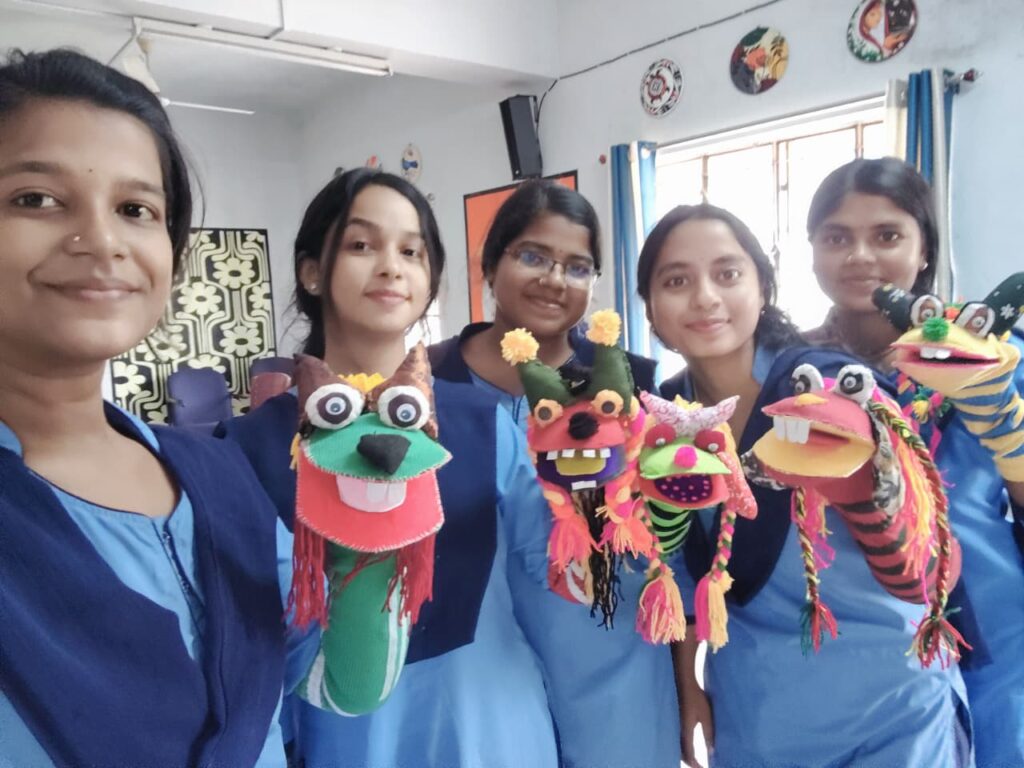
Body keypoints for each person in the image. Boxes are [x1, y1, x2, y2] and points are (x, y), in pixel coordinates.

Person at [0, 48, 312, 767]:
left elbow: (304, 677)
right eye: (36, 199)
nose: (102, 241)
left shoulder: (218, 475)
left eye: (135, 209)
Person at [219, 168, 559, 768]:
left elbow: (549, 568)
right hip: (342, 733)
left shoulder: (482, 423)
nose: (390, 268)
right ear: (311, 271)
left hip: (491, 726)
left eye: (411, 252)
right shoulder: (251, 446)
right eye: (361, 245)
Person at [638, 202, 970, 768]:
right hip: (759, 715)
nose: (705, 297)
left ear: (763, 288)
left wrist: (865, 475)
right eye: (676, 281)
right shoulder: (662, 423)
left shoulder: (835, 390)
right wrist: (686, 688)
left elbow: (925, 547)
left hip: (893, 709)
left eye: (727, 273)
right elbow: (676, 570)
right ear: (650, 309)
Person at [429, 178, 680, 768]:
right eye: (533, 256)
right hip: (478, 672)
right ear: (491, 264)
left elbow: (666, 539)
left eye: (577, 267)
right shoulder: (429, 388)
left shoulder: (632, 386)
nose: (554, 279)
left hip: (615, 669)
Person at [807, 157, 1024, 767]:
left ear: (924, 247)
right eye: (836, 238)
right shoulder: (797, 372)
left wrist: (1006, 432)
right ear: (812, 252)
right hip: (865, 647)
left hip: (995, 630)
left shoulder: (989, 355)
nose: (860, 256)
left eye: (887, 235)